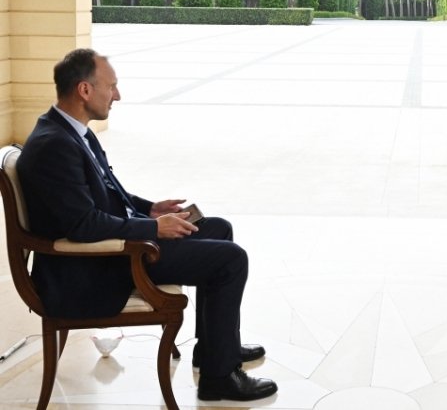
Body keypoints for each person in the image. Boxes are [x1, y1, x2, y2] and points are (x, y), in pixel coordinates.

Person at [16, 49, 277, 402]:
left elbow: (107, 193)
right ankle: (219, 379)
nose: (118, 95)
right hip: (94, 267)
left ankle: (215, 349)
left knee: (217, 228)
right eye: (111, 86)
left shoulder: (71, 132)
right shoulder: (54, 145)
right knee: (231, 259)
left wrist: (150, 209)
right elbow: (83, 225)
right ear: (84, 90)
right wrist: (154, 230)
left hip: (111, 250)